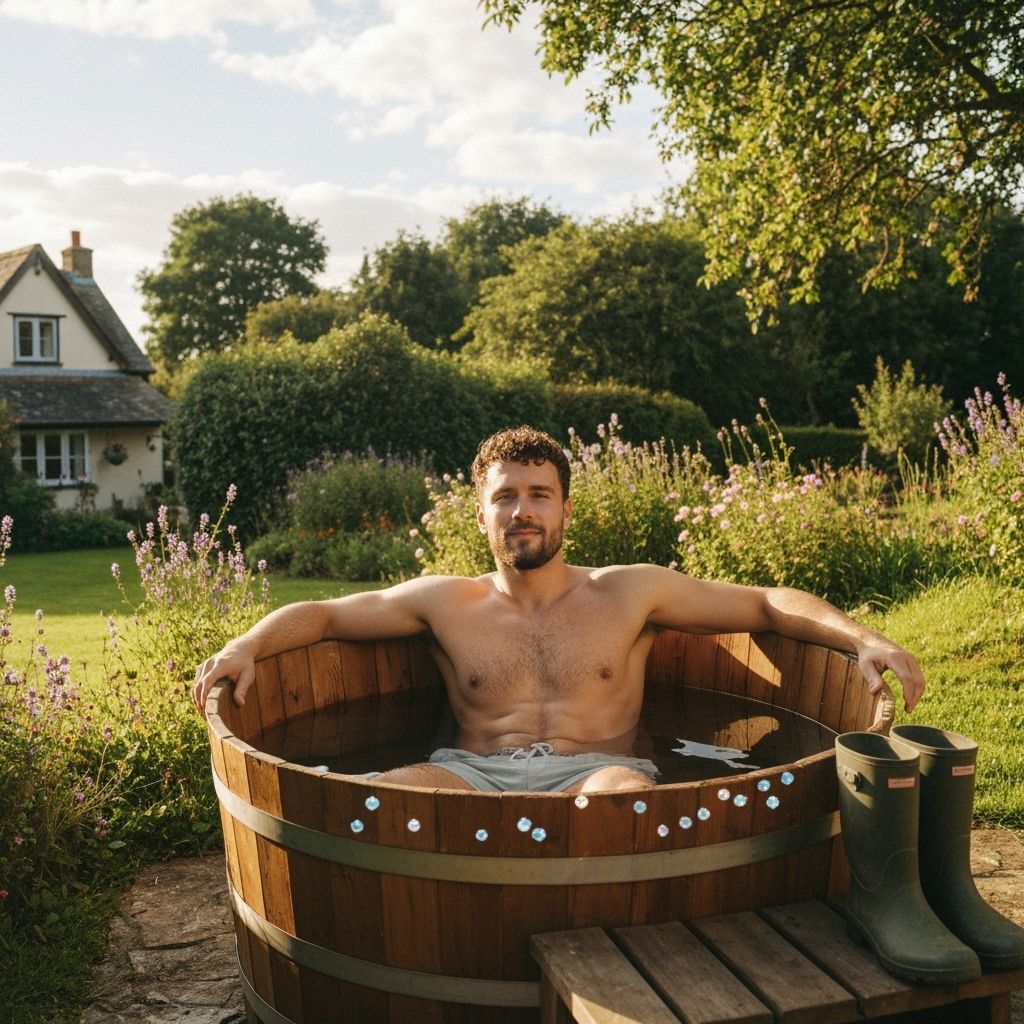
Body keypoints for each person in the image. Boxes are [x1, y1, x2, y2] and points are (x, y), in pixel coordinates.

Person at [192, 425, 925, 794]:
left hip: (598, 768)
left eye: (539, 495)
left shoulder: (629, 592)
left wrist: (862, 638)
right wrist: (245, 645)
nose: (523, 511)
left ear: (565, 509)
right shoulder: (444, 602)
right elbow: (323, 614)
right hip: (470, 773)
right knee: (379, 801)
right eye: (505, 497)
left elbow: (764, 603)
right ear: (481, 513)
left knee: (620, 804)